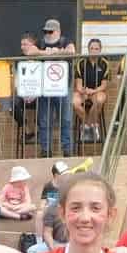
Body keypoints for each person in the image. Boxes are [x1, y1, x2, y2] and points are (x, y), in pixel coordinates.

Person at [36, 19, 76, 157]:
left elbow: (71, 51)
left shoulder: (65, 41)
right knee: (44, 120)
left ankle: (67, 149)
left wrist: (57, 51)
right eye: (45, 31)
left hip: (63, 87)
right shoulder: (40, 43)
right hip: (44, 88)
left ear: (58, 31)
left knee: (66, 119)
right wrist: (45, 53)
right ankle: (45, 150)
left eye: (50, 31)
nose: (47, 33)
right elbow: (30, 50)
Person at [73, 39, 110, 143]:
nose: (94, 51)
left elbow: (104, 85)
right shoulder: (81, 62)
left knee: (100, 100)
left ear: (100, 50)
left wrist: (93, 91)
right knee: (74, 102)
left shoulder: (104, 63)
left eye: (96, 48)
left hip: (97, 91)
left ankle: (86, 127)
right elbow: (78, 86)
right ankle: (91, 126)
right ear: (88, 49)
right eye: (92, 48)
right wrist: (84, 91)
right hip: (83, 92)